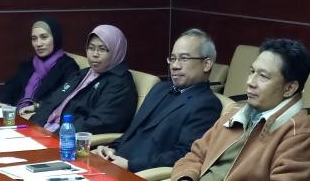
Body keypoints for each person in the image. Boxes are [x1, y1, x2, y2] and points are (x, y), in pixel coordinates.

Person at [168, 38, 310, 181]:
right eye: (252, 72)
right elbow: (195, 154)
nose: (250, 81)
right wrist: (185, 179)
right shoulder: (235, 113)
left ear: (289, 88)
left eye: (263, 76)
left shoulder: (301, 132)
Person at [95, 28, 222, 172]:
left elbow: (184, 155)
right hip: (113, 162)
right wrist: (111, 148)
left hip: (141, 174)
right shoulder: (159, 88)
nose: (175, 66)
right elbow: (133, 131)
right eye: (172, 59)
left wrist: (130, 165)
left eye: (184, 58)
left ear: (206, 64)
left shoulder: (207, 105)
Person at [29, 24, 136, 134]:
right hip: (43, 130)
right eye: (91, 48)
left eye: (102, 49)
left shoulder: (120, 83)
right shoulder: (84, 73)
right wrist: (33, 126)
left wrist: (57, 134)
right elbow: (52, 101)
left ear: (116, 51)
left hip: (66, 137)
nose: (95, 54)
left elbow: (100, 123)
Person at [0, 17, 74, 109]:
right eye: (34, 39)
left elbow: (64, 97)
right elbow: (9, 89)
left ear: (55, 38)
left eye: (44, 37)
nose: (38, 44)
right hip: (17, 113)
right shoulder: (27, 65)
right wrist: (0, 102)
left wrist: (36, 107)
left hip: (43, 115)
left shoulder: (68, 66)